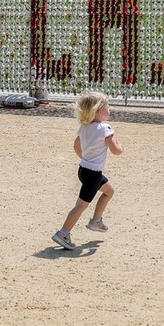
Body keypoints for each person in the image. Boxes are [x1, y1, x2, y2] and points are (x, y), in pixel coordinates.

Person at [52, 90, 122, 251]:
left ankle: (96, 220)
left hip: (84, 170)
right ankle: (63, 233)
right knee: (81, 205)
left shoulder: (84, 127)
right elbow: (116, 150)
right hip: (93, 174)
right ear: (99, 111)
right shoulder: (105, 129)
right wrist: (120, 145)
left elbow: (76, 146)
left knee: (109, 191)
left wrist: (86, 158)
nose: (109, 110)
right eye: (108, 107)